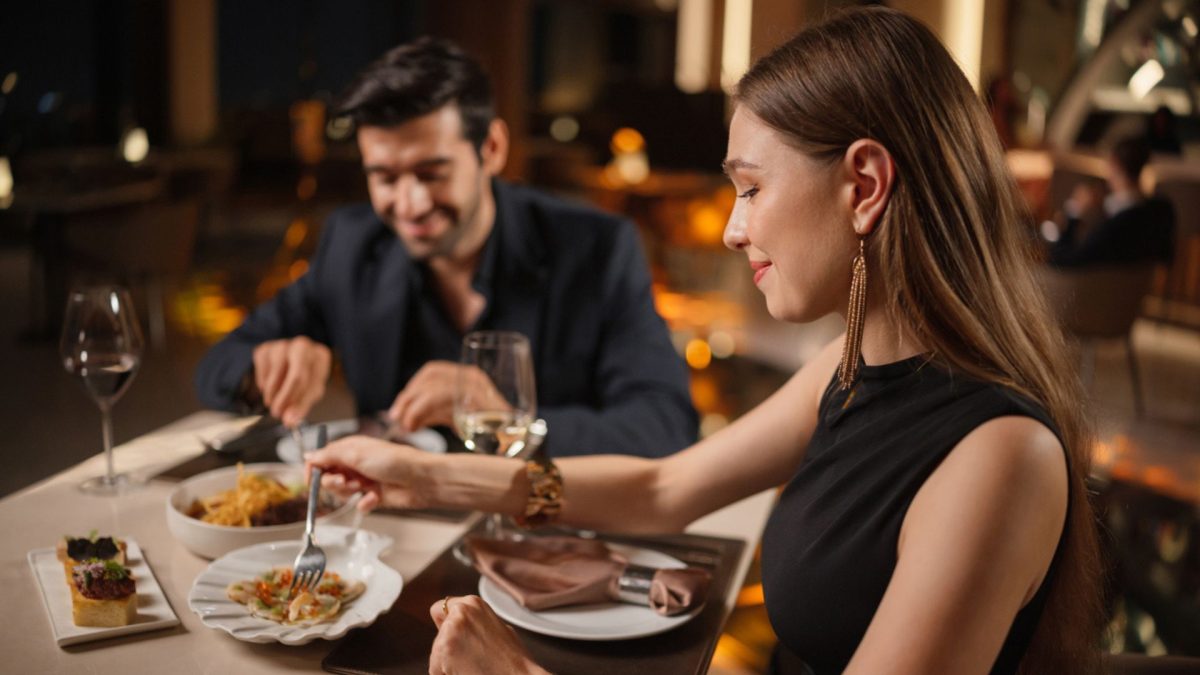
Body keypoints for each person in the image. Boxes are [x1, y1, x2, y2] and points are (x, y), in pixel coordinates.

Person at [307, 8, 1103, 675]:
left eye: (752, 187)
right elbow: (661, 489)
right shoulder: (851, 367)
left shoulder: (1000, 458)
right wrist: (431, 474)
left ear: (864, 186)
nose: (730, 228)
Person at [194, 38, 697, 458]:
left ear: (492, 150)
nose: (409, 205)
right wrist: (265, 368)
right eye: (385, 178)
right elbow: (216, 366)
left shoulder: (597, 250)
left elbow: (666, 426)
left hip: (544, 531)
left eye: (432, 174)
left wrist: (507, 422)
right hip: (391, 531)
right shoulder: (353, 244)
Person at [1048, 136, 1175, 268]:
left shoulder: (1115, 226)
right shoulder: (1162, 211)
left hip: (1094, 287)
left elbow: (1060, 261)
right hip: (1147, 287)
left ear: (1113, 164)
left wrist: (1074, 213)